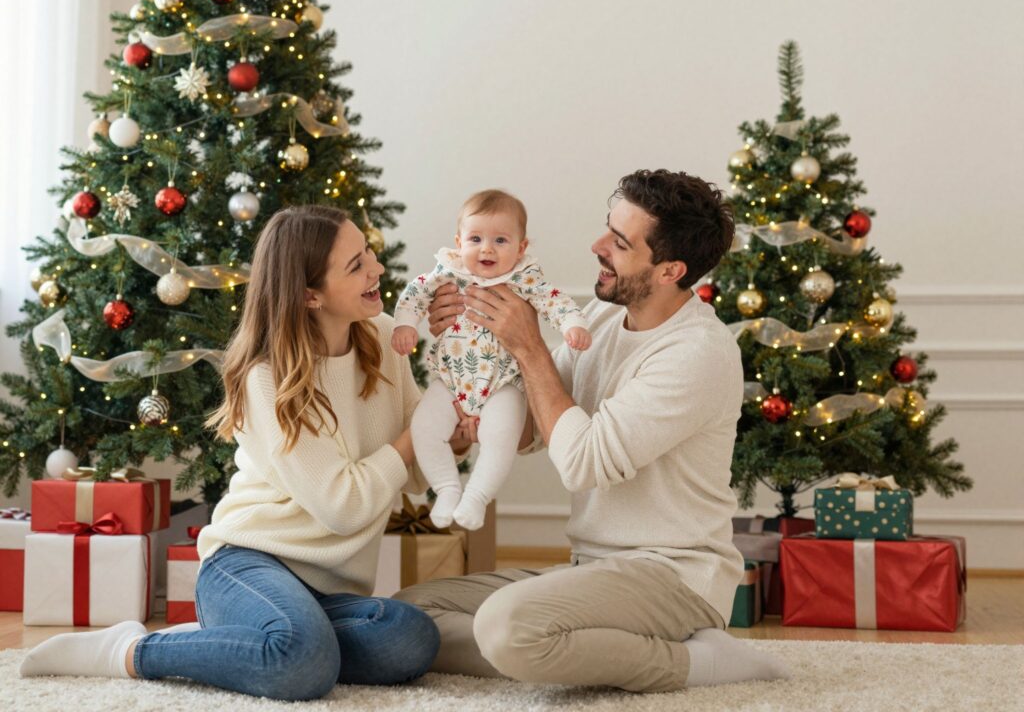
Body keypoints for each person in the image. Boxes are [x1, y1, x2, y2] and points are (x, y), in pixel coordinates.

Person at [21, 205, 449, 700]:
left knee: (409, 637)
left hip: (331, 590)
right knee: (301, 665)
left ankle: (258, 643)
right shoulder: (266, 377)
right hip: (247, 564)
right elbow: (343, 506)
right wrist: (421, 430)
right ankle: (133, 652)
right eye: (356, 265)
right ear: (310, 294)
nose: (376, 267)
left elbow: (412, 472)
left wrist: (457, 424)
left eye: (368, 253)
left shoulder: (381, 337)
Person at [395, 169, 790, 692]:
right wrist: (473, 342)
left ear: (670, 269)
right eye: (608, 229)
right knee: (405, 616)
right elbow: (535, 428)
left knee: (507, 628)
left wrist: (528, 346)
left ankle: (700, 663)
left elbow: (583, 463)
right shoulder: (603, 320)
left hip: (671, 575)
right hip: (589, 569)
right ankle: (552, 640)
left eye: (620, 243)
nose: (597, 246)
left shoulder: (697, 354)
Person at [391, 189, 591, 531]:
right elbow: (414, 293)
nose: (487, 248)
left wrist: (573, 324)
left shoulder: (524, 278)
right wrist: (405, 324)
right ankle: (447, 489)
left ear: (521, 247)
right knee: (424, 427)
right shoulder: (448, 271)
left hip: (503, 384)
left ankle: (477, 496)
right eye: (476, 238)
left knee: (502, 437)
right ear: (459, 241)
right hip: (451, 381)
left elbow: (555, 301)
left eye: (500, 240)